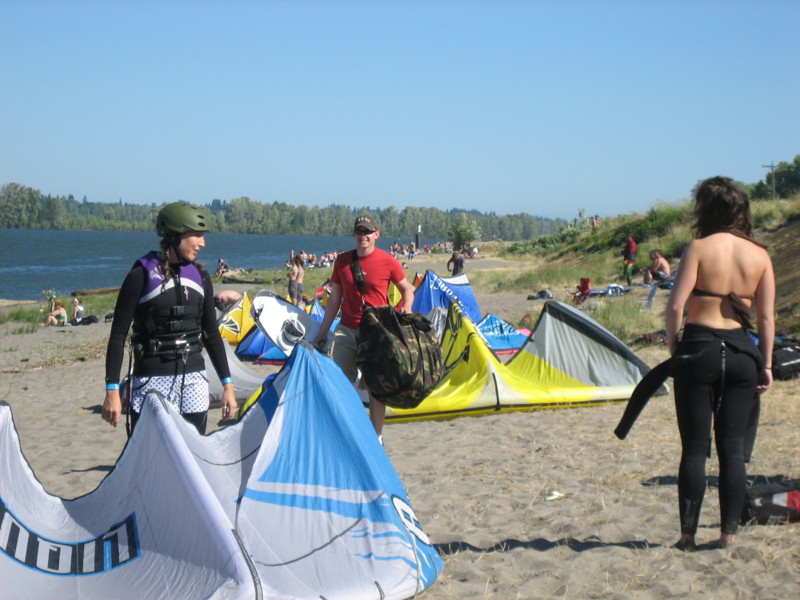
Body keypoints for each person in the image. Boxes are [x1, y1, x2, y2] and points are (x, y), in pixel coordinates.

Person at [665, 176, 775, 551]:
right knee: (732, 450)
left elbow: (677, 305)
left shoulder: (697, 248)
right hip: (744, 353)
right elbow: (767, 319)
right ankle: (728, 533)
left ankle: (687, 535)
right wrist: (768, 365)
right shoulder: (760, 255)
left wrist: (673, 346)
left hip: (699, 348)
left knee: (695, 449)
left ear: (704, 209)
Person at [102, 202, 237, 435]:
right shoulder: (140, 274)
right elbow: (117, 335)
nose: (202, 243)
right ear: (176, 235)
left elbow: (211, 335)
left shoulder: (201, 276)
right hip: (151, 378)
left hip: (194, 377)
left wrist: (228, 385)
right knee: (152, 459)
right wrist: (112, 389)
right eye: (196, 235)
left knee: (192, 457)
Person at [313, 214, 415, 440]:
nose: (363, 236)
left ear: (376, 234)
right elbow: (334, 299)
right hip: (347, 329)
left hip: (377, 333)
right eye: (359, 232)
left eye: (367, 232)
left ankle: (376, 437)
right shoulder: (342, 261)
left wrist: (407, 307)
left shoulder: (388, 261)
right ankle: (348, 429)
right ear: (354, 235)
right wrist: (322, 332)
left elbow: (407, 289)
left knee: (376, 388)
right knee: (337, 381)